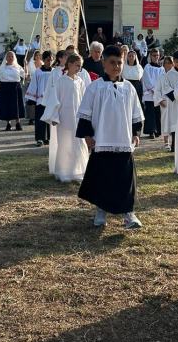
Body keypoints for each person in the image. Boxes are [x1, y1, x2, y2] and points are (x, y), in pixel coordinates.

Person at [76, 45, 144, 229]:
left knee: (125, 179)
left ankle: (129, 214)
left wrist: (136, 133)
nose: (116, 66)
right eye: (112, 62)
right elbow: (85, 114)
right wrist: (88, 135)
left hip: (123, 141)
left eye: (119, 63)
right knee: (103, 177)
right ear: (104, 63)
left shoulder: (129, 88)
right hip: (102, 140)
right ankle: (101, 211)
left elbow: (136, 114)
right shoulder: (95, 87)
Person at [42, 53, 90, 182]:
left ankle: (78, 169)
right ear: (69, 64)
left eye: (80, 66)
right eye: (77, 65)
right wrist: (54, 117)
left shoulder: (80, 81)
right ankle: (64, 171)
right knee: (65, 143)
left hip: (78, 117)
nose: (79, 69)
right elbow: (54, 100)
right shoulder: (61, 81)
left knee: (79, 141)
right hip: (64, 117)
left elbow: (84, 99)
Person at [159, 49, 178, 153]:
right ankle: (174, 146)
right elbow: (166, 88)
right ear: (174, 61)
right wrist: (177, 95)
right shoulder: (169, 74)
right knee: (175, 126)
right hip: (174, 103)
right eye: (177, 61)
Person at [0, 50, 26, 131]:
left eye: (12, 56)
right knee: (7, 106)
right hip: (4, 88)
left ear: (14, 58)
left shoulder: (18, 67)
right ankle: (8, 124)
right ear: (6, 58)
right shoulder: (2, 67)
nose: (10, 58)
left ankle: (18, 123)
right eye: (8, 56)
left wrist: (26, 65)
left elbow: (25, 76)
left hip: (15, 88)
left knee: (16, 106)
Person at [26, 50, 53, 145]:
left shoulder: (54, 72)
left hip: (51, 100)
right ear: (44, 60)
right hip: (40, 100)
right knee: (40, 119)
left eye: (51, 60)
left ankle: (49, 138)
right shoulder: (38, 72)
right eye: (47, 60)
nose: (49, 62)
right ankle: (40, 138)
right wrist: (32, 99)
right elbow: (34, 85)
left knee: (49, 119)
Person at [141, 48, 163, 138]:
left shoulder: (161, 68)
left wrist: (158, 90)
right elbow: (146, 79)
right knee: (150, 113)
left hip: (158, 94)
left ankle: (158, 130)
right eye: (154, 55)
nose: (156, 57)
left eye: (157, 55)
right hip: (149, 94)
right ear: (151, 56)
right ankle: (151, 131)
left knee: (157, 113)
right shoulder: (147, 67)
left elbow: (162, 80)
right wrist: (153, 89)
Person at [155, 55, 174, 149]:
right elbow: (157, 90)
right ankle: (166, 142)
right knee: (165, 122)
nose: (167, 65)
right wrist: (160, 100)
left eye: (169, 63)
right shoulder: (161, 76)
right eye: (165, 63)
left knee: (174, 122)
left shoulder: (176, 75)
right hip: (165, 102)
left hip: (174, 102)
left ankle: (174, 142)